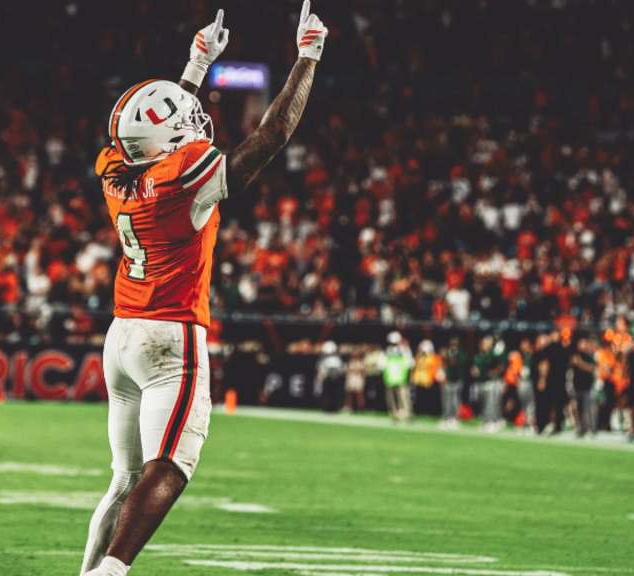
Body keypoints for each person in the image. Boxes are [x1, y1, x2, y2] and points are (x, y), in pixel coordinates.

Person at [81, 4, 329, 575]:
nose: (194, 124)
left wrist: (195, 67)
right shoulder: (180, 178)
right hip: (170, 337)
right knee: (170, 465)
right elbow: (271, 136)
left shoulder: (115, 167)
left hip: (122, 335)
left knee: (124, 479)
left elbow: (157, 134)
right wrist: (308, 57)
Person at [471, 335, 505, 432]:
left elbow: (501, 365)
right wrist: (474, 370)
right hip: (481, 382)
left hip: (491, 382)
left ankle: (492, 422)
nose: (484, 345)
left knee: (491, 404)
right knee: (483, 404)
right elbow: (475, 367)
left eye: (486, 343)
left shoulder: (494, 354)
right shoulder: (479, 355)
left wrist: (495, 372)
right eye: (483, 343)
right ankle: (486, 422)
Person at [383, 331, 414, 423]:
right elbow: (382, 364)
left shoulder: (404, 350)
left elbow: (410, 363)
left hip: (401, 378)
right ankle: (394, 415)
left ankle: (407, 415)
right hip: (390, 378)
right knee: (391, 398)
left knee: (403, 397)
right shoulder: (387, 350)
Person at [570, 337, 598, 437]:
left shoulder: (589, 356)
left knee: (588, 409)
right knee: (579, 409)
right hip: (577, 385)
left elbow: (592, 368)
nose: (583, 345)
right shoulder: (575, 355)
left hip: (587, 386)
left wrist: (580, 363)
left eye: (584, 343)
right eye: (581, 343)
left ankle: (591, 429)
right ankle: (581, 428)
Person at [440, 336, 467, 430]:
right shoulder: (447, 352)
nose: (453, 345)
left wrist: (451, 357)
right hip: (448, 380)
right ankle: (446, 418)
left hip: (456, 380)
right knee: (447, 401)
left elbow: (457, 363)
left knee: (455, 401)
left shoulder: (461, 353)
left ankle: (455, 418)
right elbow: (444, 364)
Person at [315, 340, 346, 412]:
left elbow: (341, 368)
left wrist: (339, 373)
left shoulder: (337, 358)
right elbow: (320, 368)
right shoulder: (323, 358)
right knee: (327, 393)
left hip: (335, 379)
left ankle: (334, 408)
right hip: (327, 378)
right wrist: (321, 375)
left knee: (334, 394)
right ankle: (326, 407)